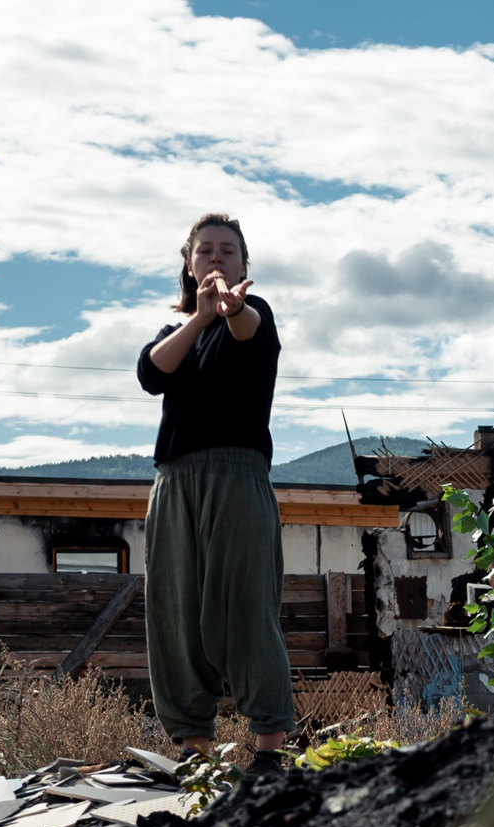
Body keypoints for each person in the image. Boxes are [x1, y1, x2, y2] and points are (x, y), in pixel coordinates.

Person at [136, 213, 292, 766]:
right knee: (174, 612)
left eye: (228, 250)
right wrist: (199, 318)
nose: (217, 259)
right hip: (175, 480)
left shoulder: (255, 316)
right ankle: (193, 750)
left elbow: (248, 328)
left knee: (246, 606)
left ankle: (269, 748)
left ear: (245, 264)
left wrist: (230, 311)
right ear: (188, 263)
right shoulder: (175, 332)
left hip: (237, 476)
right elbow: (152, 373)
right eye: (206, 251)